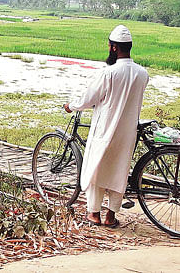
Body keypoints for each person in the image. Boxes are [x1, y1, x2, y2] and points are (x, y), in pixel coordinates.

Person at [63, 25, 149, 228]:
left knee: (97, 168)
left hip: (104, 131)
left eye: (109, 46)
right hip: (127, 133)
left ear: (114, 48)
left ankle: (94, 214)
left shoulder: (108, 73)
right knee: (120, 170)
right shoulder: (142, 74)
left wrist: (70, 106)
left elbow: (88, 99)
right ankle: (110, 216)